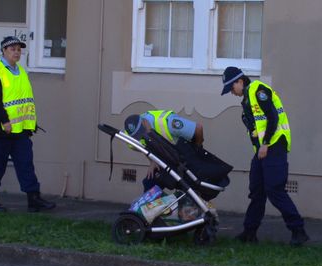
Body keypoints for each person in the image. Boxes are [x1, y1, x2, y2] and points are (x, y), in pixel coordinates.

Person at [220, 66, 309, 246]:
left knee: (275, 190)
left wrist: (266, 143)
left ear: (240, 81)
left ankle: (298, 231)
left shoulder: (258, 90)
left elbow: (273, 117)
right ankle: (249, 232)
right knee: (257, 191)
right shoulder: (246, 100)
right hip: (263, 150)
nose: (231, 92)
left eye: (231, 87)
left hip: (274, 145)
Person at [0, 36, 56, 212]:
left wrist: (30, 124)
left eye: (19, 49)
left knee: (26, 164)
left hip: (20, 131)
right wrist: (4, 121)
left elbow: (24, 101)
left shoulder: (20, 71)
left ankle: (34, 200)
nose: (16, 52)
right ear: (3, 51)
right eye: (12, 49)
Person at [124, 110, 204, 191]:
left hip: (183, 159)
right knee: (149, 183)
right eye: (137, 135)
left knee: (189, 189)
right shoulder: (129, 137)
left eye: (141, 131)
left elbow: (198, 129)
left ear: (144, 122)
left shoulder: (167, 122)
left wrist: (197, 152)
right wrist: (152, 161)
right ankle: (152, 203)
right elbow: (143, 147)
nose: (140, 135)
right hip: (165, 160)